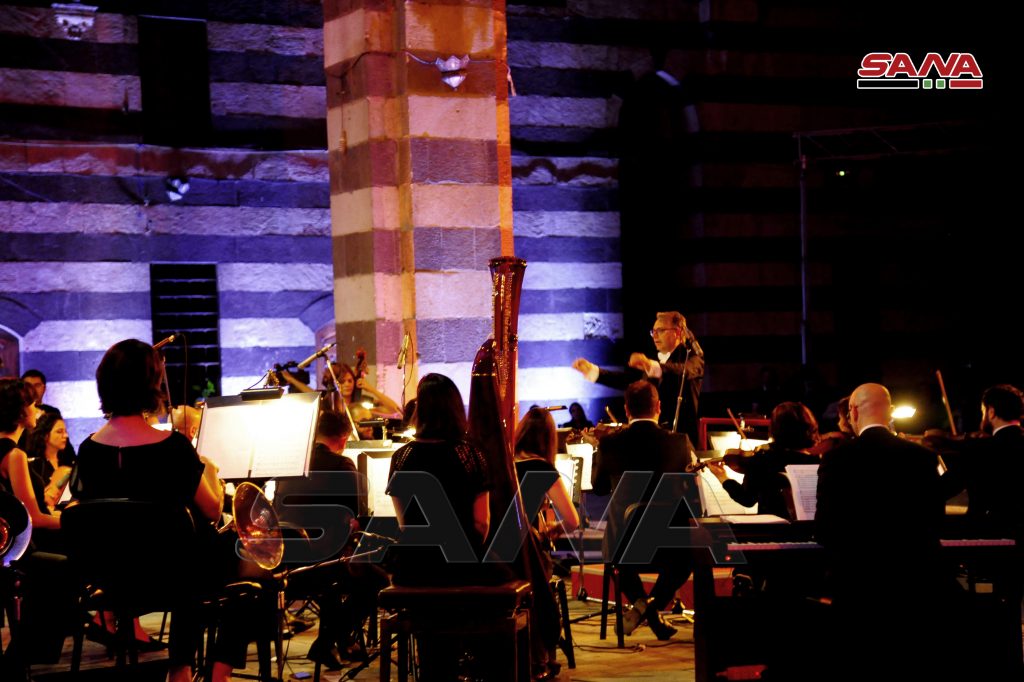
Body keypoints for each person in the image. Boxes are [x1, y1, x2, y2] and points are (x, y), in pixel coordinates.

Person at [70, 339, 241, 682]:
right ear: (152, 385)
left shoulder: (87, 450)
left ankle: (184, 668)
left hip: (111, 576)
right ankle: (194, 669)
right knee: (248, 567)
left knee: (188, 560)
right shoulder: (174, 447)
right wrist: (208, 470)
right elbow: (211, 511)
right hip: (175, 577)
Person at [815, 382, 955, 679]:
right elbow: (936, 522)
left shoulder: (837, 459)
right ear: (890, 412)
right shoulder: (922, 457)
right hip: (917, 587)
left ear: (853, 412)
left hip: (859, 589)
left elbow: (826, 529)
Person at [591, 380, 697, 640]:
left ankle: (642, 608)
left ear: (626, 410)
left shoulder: (610, 444)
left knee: (615, 550)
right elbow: (691, 490)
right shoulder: (680, 443)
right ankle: (652, 610)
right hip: (670, 547)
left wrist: (598, 453)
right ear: (659, 407)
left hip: (625, 547)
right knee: (687, 556)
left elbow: (599, 488)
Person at [0, 378, 72, 673]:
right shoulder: (14, 454)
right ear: (20, 412)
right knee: (67, 565)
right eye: (33, 405)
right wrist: (73, 518)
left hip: (9, 547)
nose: (38, 411)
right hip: (21, 549)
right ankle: (24, 655)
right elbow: (34, 519)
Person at [514, 407, 580, 678]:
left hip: (497, 555)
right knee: (542, 575)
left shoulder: (504, 463)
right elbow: (572, 520)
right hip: (526, 556)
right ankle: (542, 657)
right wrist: (555, 529)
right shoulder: (542, 468)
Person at [573, 310, 704, 445]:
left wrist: (650, 365)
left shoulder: (693, 359)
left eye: (660, 330)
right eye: (653, 331)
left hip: (683, 442)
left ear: (677, 333)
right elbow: (628, 382)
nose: (655, 336)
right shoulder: (655, 363)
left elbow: (681, 371)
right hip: (656, 440)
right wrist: (595, 372)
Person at [706, 401, 821, 520]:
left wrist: (722, 477)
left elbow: (747, 499)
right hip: (811, 527)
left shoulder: (764, 459)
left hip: (772, 528)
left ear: (776, 429)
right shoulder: (817, 461)